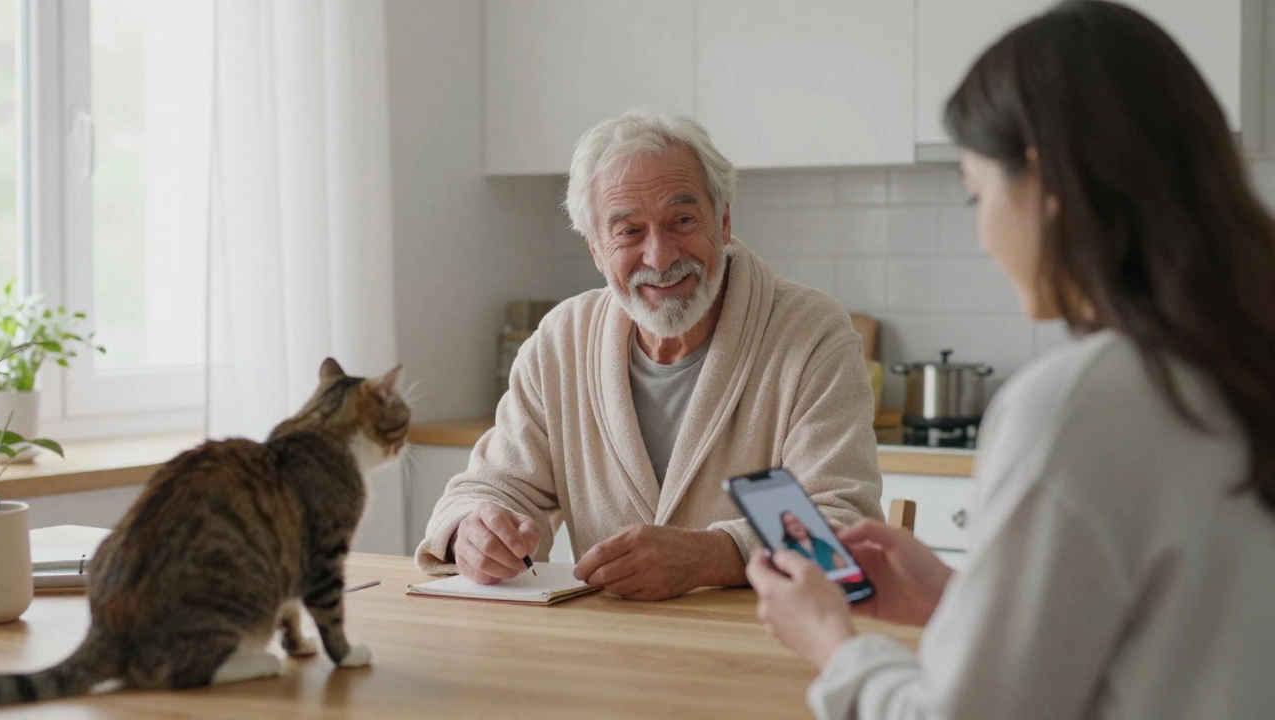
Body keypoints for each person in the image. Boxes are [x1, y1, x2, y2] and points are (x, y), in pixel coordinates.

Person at [746, 1, 1275, 718]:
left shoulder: (1079, 405)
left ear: (1045, 184)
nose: (986, 237)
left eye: (977, 195)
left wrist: (833, 643)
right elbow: (1177, 644)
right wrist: (960, 603)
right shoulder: (1239, 361)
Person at [415, 110, 884, 601]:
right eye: (629, 232)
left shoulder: (810, 334)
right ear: (596, 249)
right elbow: (493, 488)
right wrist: (474, 531)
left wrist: (711, 555)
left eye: (682, 221)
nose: (660, 257)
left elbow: (843, 526)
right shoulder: (561, 342)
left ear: (722, 222)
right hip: (609, 657)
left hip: (765, 649)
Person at [779, 511, 846, 572]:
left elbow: (842, 565)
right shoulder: (788, 552)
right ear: (786, 529)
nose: (795, 525)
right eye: (789, 524)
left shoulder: (822, 544)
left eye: (796, 521)